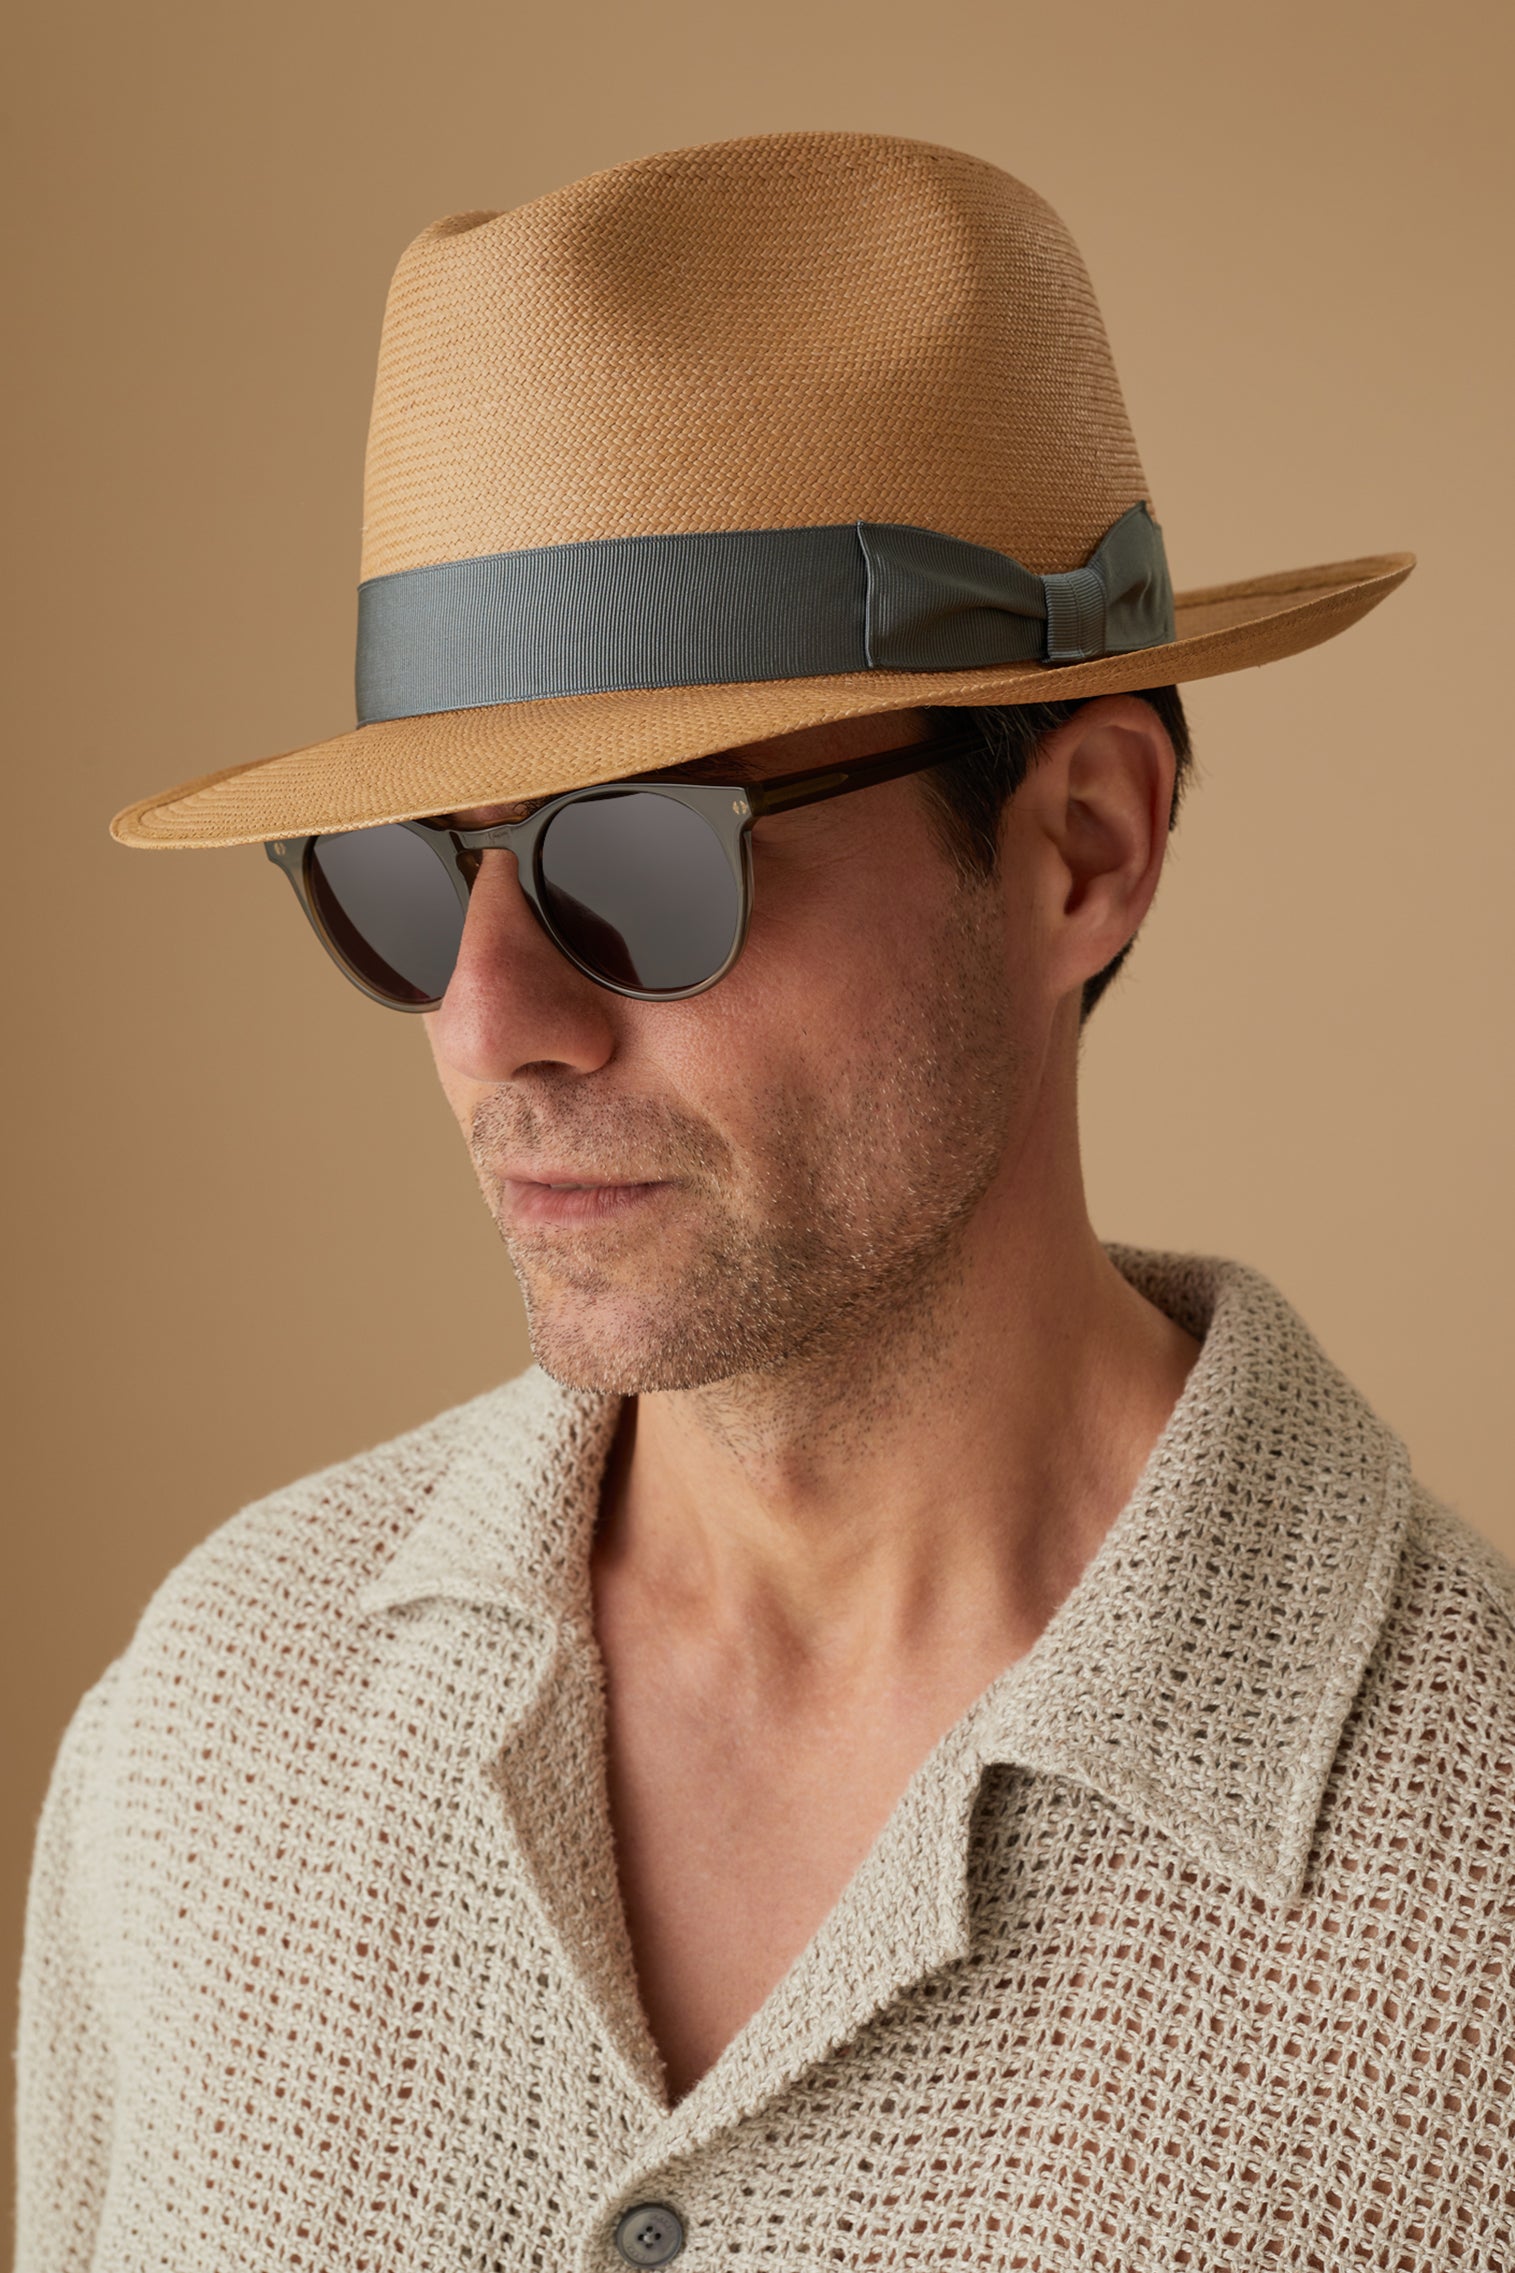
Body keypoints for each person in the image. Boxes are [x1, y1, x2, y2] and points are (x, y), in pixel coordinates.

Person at [17, 129, 1512, 2271]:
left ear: (1080, 847)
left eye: (640, 863)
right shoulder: (206, 1737)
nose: (483, 1021)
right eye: (401, 878)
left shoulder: (1474, 1921)